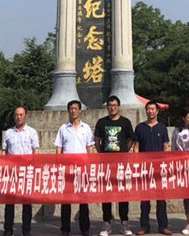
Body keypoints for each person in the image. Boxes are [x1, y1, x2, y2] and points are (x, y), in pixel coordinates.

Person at [94, 95, 135, 236]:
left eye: (115, 105)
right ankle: (107, 224)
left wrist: (124, 152)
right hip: (106, 165)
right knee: (106, 195)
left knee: (123, 194)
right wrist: (102, 155)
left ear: (119, 107)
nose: (112, 108)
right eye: (110, 105)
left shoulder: (125, 122)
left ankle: (124, 223)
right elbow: (97, 141)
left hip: (121, 164)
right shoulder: (101, 122)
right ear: (107, 107)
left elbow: (130, 140)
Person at [54, 100, 95, 236]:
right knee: (66, 201)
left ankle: (85, 229)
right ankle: (65, 229)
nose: (73, 111)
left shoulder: (86, 128)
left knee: (83, 201)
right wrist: (58, 167)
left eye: (75, 108)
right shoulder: (63, 128)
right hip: (67, 170)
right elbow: (59, 149)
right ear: (68, 111)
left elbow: (89, 148)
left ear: (80, 111)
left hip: (82, 170)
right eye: (71, 109)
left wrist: (90, 166)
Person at [133, 100, 171, 236]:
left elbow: (166, 147)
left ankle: (163, 226)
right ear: (146, 111)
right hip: (144, 168)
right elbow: (136, 148)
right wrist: (136, 165)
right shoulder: (140, 127)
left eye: (153, 109)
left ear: (157, 111)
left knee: (161, 199)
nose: (150, 111)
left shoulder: (162, 128)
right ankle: (144, 226)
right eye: (148, 109)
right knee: (145, 200)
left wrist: (166, 165)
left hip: (159, 168)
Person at [3, 106, 40, 236]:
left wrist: (34, 168)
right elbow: (4, 151)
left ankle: (26, 230)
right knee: (9, 203)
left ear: (26, 116)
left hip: (27, 171)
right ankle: (8, 229)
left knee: (27, 203)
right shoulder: (8, 133)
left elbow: (35, 151)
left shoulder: (32, 132)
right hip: (12, 172)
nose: (18, 117)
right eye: (16, 115)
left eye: (21, 115)